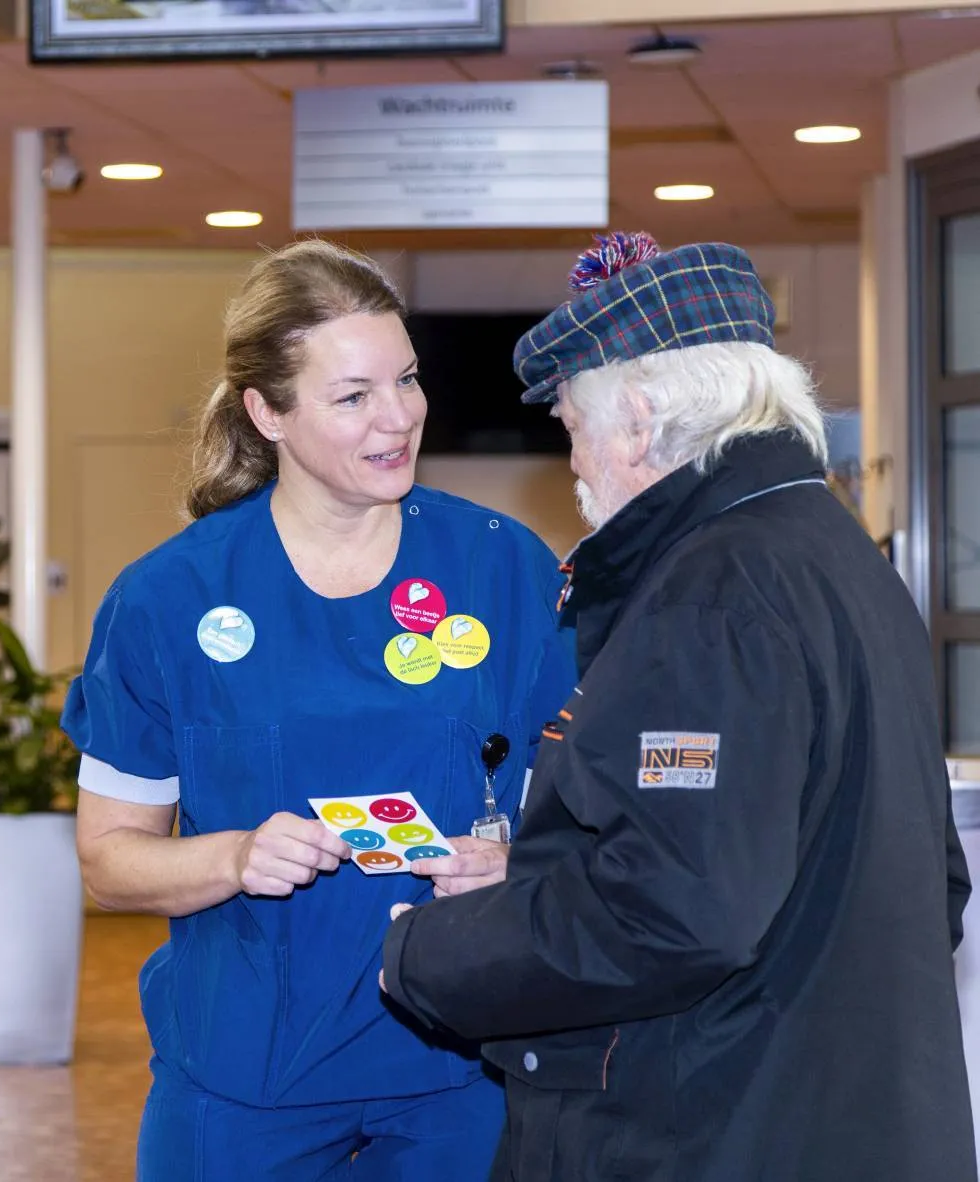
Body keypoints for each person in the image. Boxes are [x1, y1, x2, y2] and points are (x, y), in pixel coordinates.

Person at [379, 231, 978, 1181]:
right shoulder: (836, 554)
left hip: (710, 1133)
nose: (571, 463)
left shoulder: (713, 594)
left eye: (573, 425)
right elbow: (916, 880)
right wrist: (538, 875)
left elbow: (673, 916)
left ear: (640, 419)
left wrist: (427, 955)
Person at [61, 238, 577, 1181]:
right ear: (267, 414)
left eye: (407, 381)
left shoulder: (504, 569)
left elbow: (592, 813)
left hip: (458, 1074)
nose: (399, 419)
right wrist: (233, 856)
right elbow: (109, 860)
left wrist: (517, 862)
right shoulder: (166, 601)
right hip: (242, 1083)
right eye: (353, 396)